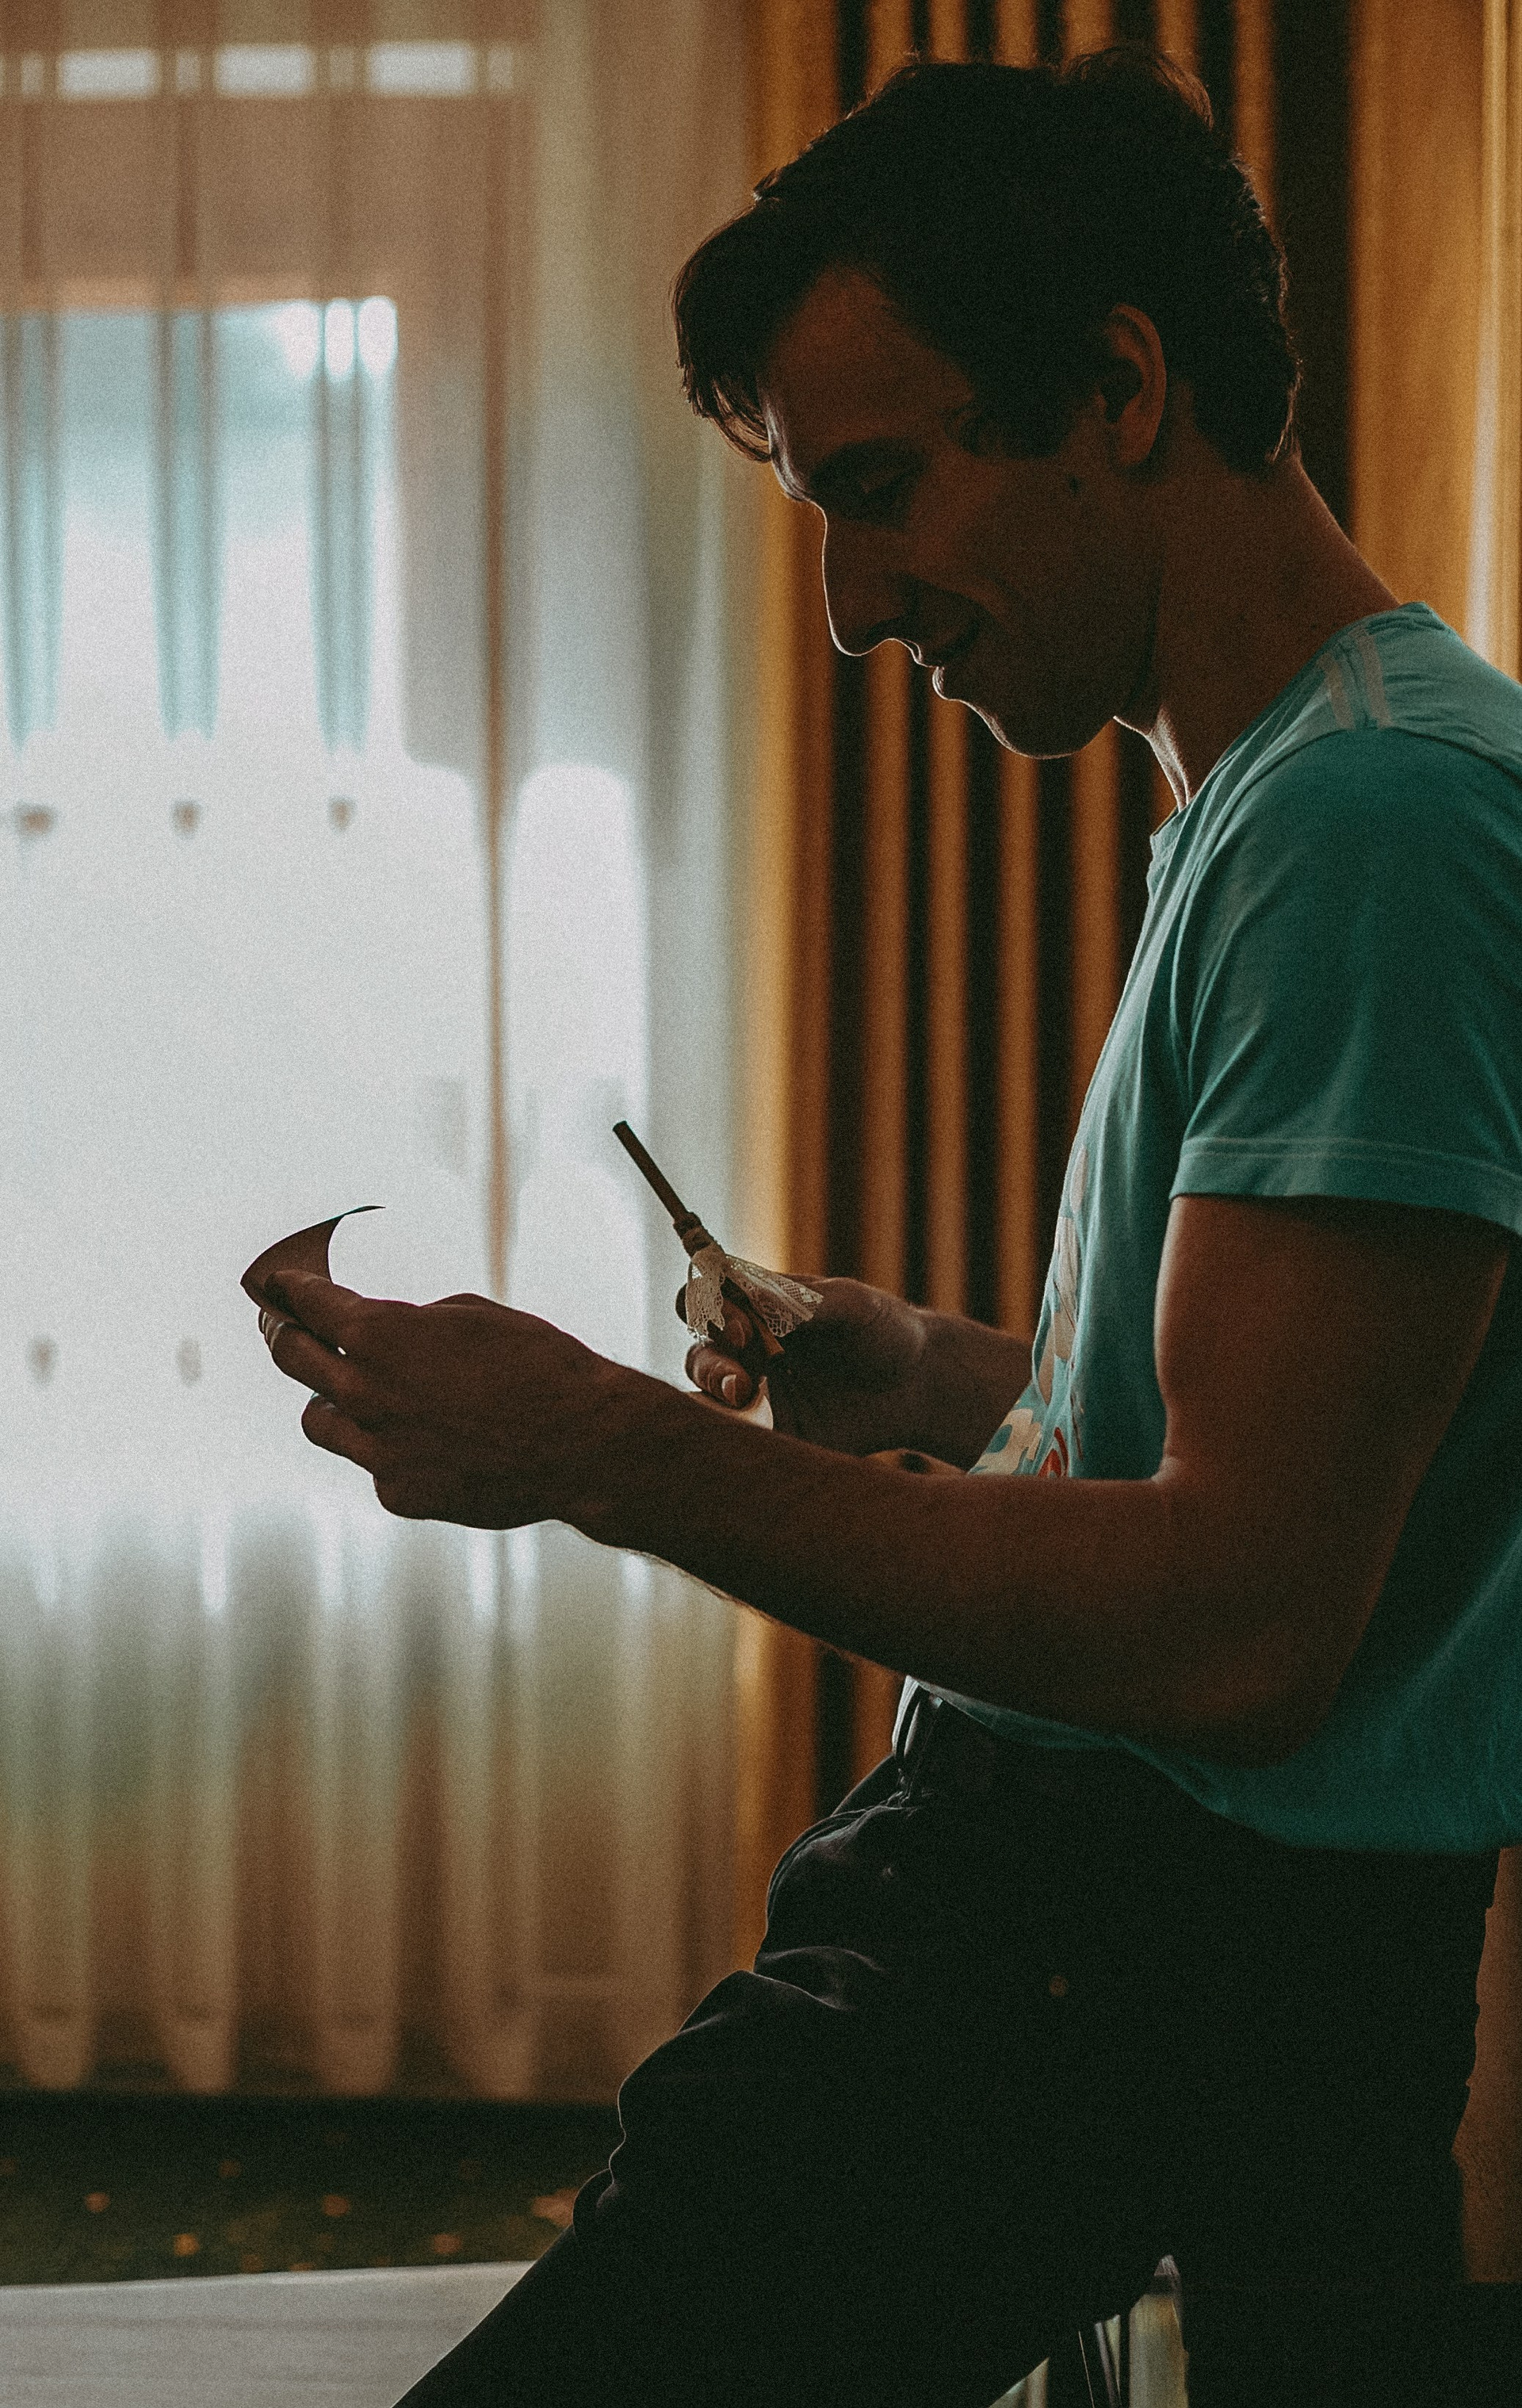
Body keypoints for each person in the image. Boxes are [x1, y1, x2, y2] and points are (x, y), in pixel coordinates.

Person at [256, 50, 1521, 2408]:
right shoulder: (1305, 786)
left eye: (877, 487)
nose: (845, 611)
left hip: (1101, 1949)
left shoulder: (1369, 826)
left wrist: (606, 1448)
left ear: (1119, 386)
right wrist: (937, 1374)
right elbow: (1332, 1455)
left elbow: (1245, 1622)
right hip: (1208, 1949)